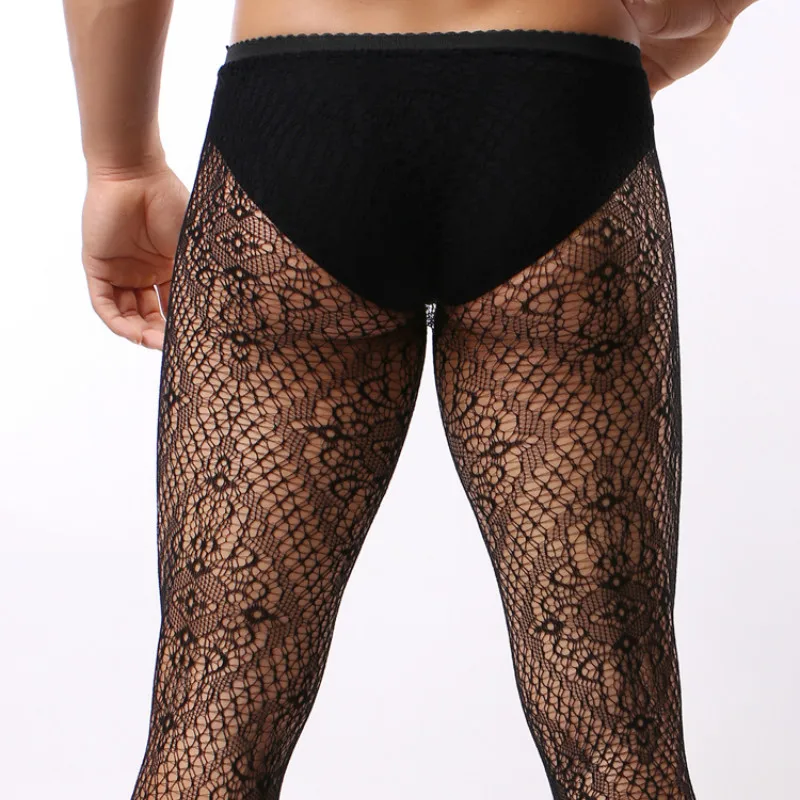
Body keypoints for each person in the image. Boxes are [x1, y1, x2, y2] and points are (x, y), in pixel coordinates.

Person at [62, 1, 758, 798]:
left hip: (300, 109)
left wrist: (120, 166)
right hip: (558, 103)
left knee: (211, 727)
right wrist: (678, 36)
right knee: (619, 735)